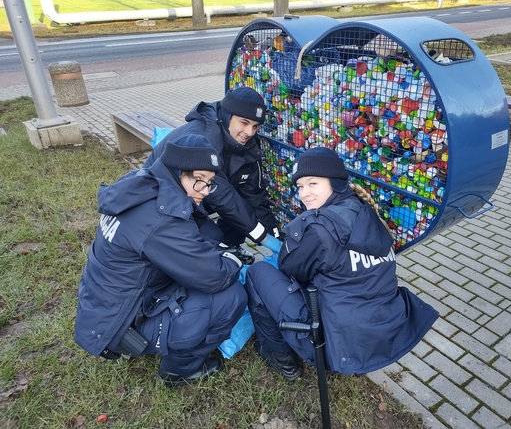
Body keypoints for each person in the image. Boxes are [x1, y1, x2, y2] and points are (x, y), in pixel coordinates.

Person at [244, 147, 439, 380]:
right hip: (384, 333)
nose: (304, 193)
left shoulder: (319, 229)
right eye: (300, 186)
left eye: (312, 183)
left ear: (335, 182)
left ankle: (280, 357)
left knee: (258, 272)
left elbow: (289, 268)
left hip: (335, 343)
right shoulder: (366, 210)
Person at [75, 134, 249, 387]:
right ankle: (179, 372)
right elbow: (215, 276)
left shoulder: (141, 183)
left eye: (210, 183)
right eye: (199, 181)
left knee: (207, 243)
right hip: (117, 325)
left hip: (102, 308)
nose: (204, 192)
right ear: (178, 172)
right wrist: (234, 260)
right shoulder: (160, 220)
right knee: (230, 297)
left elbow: (190, 237)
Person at [144, 87, 283, 262]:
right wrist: (264, 238)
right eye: (244, 123)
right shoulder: (202, 139)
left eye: (255, 126)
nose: (249, 132)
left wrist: (274, 235)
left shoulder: (248, 144)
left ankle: (230, 250)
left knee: (240, 218)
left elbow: (253, 194)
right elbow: (223, 197)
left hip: (198, 196)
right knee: (211, 237)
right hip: (164, 201)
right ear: (227, 115)